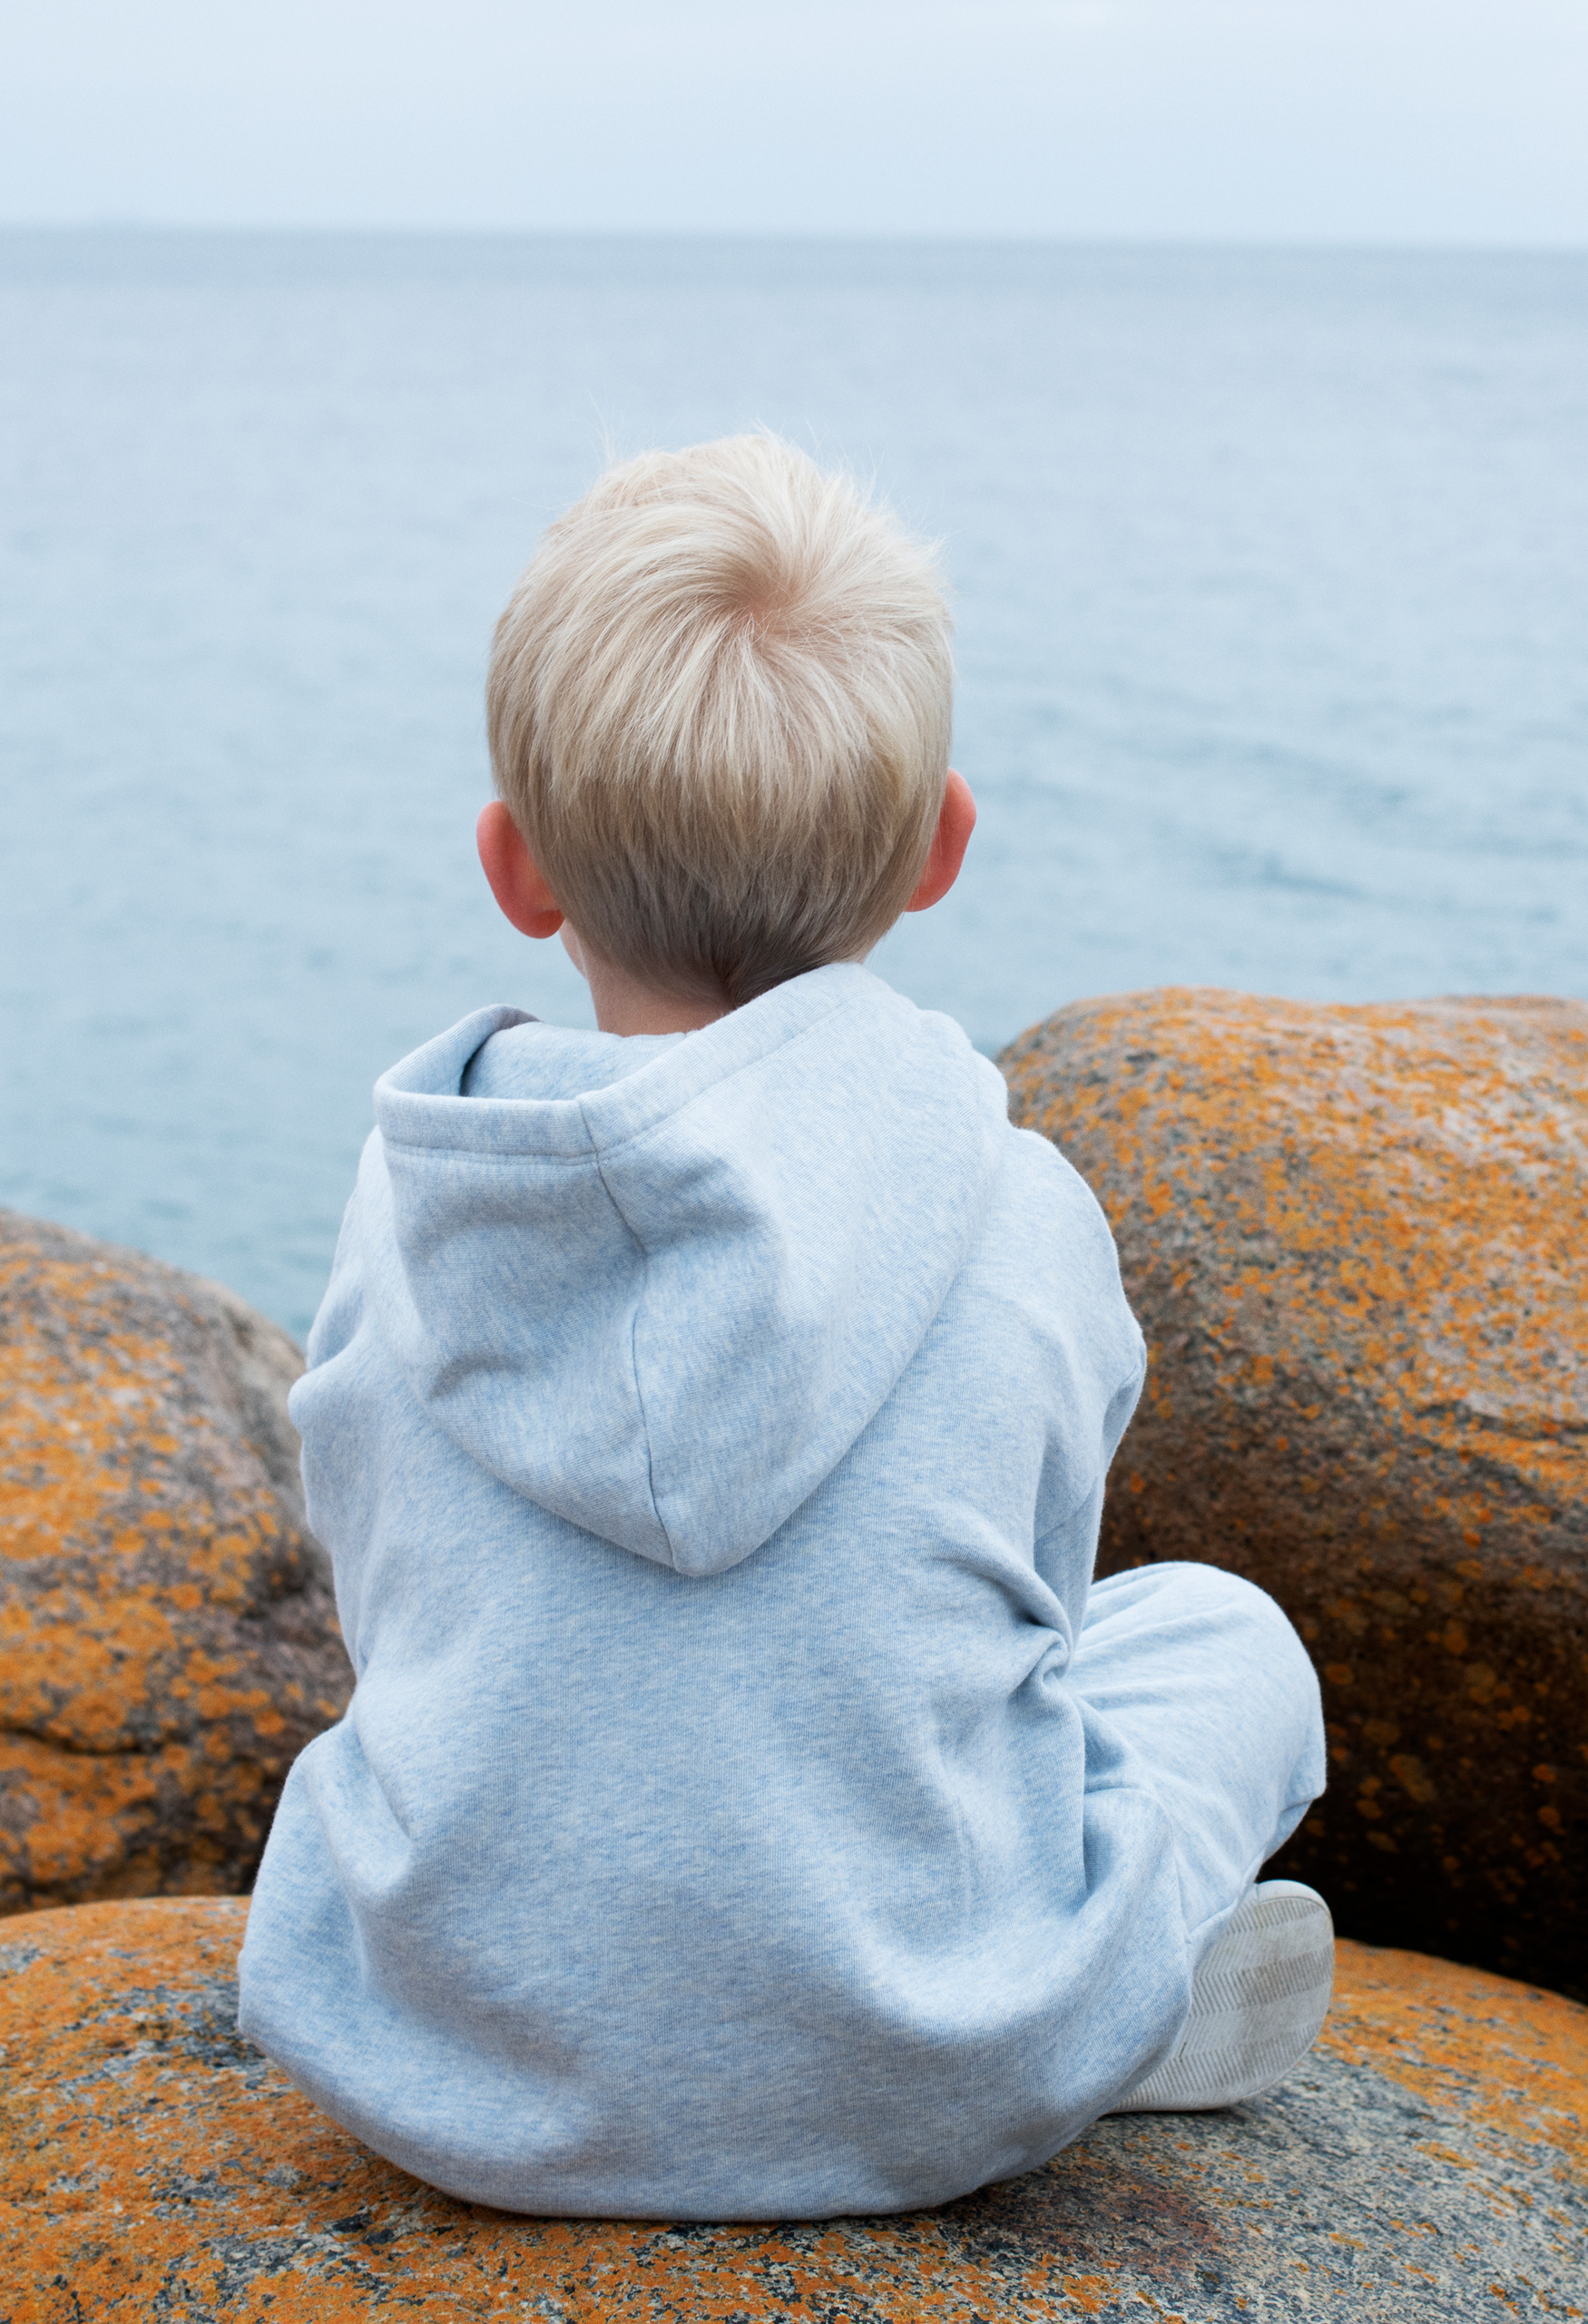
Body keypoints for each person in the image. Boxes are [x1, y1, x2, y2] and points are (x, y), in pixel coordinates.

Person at [237, 434, 1330, 2221]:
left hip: (454, 2065)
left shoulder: (412, 1199)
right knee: (1225, 1639)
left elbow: (393, 1597)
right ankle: (1106, 2011)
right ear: (941, 846)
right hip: (926, 2055)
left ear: (518, 867)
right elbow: (1034, 1633)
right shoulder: (1021, 1212)